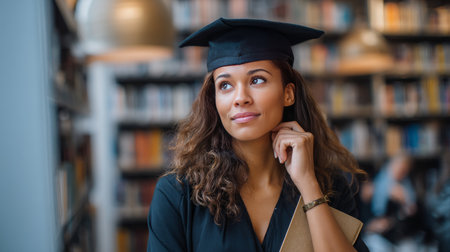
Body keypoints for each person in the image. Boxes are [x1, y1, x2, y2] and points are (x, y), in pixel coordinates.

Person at [147, 18, 369, 252]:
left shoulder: (329, 186)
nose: (240, 97)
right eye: (225, 85)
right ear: (214, 99)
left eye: (257, 80)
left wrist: (308, 185)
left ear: (288, 94)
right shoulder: (178, 195)